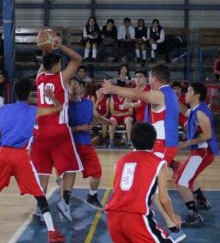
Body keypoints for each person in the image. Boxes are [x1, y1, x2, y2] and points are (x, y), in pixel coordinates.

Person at [81, 122, 212, 243]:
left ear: (132, 140)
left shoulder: (121, 161)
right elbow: (163, 198)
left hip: (114, 215)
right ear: (154, 142)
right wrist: (173, 216)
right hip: (136, 216)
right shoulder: (158, 163)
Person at [0, 78, 66, 242]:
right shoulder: (34, 110)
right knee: (38, 193)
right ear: (29, 95)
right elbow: (58, 107)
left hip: (3, 154)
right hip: (22, 155)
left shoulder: (4, 109)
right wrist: (50, 96)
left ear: (14, 93)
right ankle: (52, 232)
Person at [98, 64, 181, 231]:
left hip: (161, 145)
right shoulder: (170, 94)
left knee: (156, 189)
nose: (148, 80)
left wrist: (112, 88)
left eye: (149, 77)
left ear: (155, 78)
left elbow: (137, 94)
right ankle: (168, 220)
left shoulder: (160, 94)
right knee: (147, 184)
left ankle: (172, 220)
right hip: (157, 144)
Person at [32, 38, 83, 222]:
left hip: (40, 132)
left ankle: (40, 208)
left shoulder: (39, 78)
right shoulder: (60, 78)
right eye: (60, 64)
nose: (61, 67)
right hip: (59, 131)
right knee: (70, 169)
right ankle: (65, 203)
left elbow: (44, 65)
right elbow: (77, 59)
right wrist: (59, 45)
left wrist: (46, 48)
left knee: (43, 172)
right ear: (55, 68)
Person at [175, 82, 219, 227]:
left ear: (197, 95)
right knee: (188, 177)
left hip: (203, 152)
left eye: (188, 91)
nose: (185, 94)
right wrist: (173, 99)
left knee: (181, 182)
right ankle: (201, 201)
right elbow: (184, 112)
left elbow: (208, 135)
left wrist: (187, 143)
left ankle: (194, 215)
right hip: (200, 151)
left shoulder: (200, 112)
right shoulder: (195, 109)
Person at [68, 77, 111, 209]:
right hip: (68, 144)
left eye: (77, 84)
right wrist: (78, 128)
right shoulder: (63, 105)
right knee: (68, 174)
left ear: (82, 88)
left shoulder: (88, 104)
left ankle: (92, 196)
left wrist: (109, 122)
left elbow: (96, 117)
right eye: (72, 84)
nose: (75, 86)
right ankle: (65, 199)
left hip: (85, 143)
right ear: (67, 88)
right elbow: (59, 127)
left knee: (97, 171)